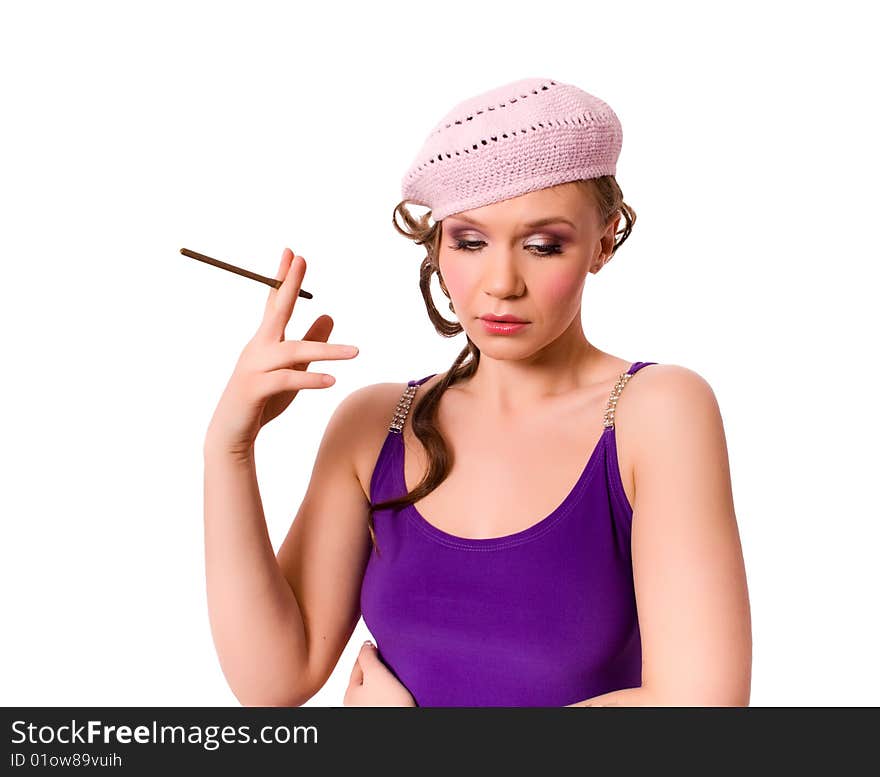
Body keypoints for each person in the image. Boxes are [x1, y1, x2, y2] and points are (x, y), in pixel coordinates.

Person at [203, 76, 752, 708]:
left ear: (603, 241)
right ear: (436, 247)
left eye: (544, 245)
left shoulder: (655, 413)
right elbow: (273, 680)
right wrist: (229, 449)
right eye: (469, 241)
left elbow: (703, 711)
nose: (501, 284)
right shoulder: (375, 425)